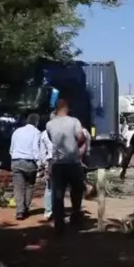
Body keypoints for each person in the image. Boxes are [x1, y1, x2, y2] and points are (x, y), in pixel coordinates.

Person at [46, 98, 87, 233]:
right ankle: (76, 217)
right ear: (67, 108)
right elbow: (81, 138)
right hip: (73, 162)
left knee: (58, 195)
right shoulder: (74, 121)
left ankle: (59, 223)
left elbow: (52, 140)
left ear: (56, 109)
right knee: (76, 191)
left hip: (58, 164)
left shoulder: (49, 124)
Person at [9, 113, 41, 220]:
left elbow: (11, 149)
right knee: (29, 186)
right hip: (30, 162)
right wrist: (40, 164)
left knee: (18, 187)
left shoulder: (17, 131)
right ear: (37, 122)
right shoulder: (37, 133)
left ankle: (19, 210)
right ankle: (25, 209)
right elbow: (36, 149)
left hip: (16, 161)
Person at [39, 125, 54, 221]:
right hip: (62, 162)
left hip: (50, 162)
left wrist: (45, 165)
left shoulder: (44, 133)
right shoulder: (63, 130)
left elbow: (42, 152)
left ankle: (48, 211)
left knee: (49, 188)